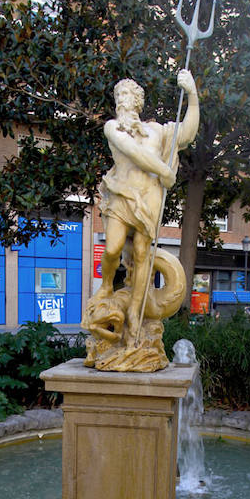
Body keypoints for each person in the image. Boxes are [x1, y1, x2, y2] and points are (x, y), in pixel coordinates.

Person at [94, 69, 199, 341]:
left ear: (138, 101)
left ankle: (135, 315)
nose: (122, 100)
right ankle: (106, 285)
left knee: (142, 255)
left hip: (149, 200)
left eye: (127, 94)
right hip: (121, 195)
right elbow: (133, 152)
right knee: (113, 248)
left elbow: (187, 133)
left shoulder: (157, 131)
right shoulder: (112, 127)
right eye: (118, 95)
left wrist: (192, 95)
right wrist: (165, 172)